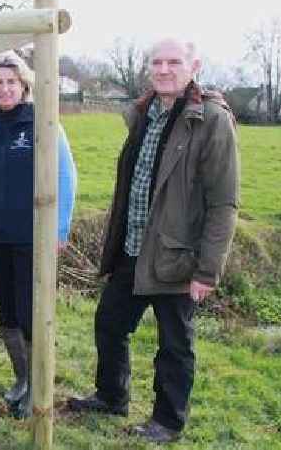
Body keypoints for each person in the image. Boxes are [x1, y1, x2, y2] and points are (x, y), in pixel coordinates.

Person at [68, 38, 239, 443]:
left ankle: (168, 420)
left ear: (193, 65)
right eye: (156, 62)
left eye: (173, 62)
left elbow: (224, 202)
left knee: (174, 346)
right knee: (109, 324)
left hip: (177, 257)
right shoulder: (145, 113)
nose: (164, 69)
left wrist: (207, 271)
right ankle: (111, 397)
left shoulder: (210, 119)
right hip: (132, 249)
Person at [0, 52, 77, 419]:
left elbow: (66, 176)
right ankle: (21, 378)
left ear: (25, 86)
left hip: (30, 236)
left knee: (30, 313)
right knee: (6, 314)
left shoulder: (43, 124)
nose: (4, 89)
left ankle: (37, 384)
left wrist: (59, 229)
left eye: (11, 82)